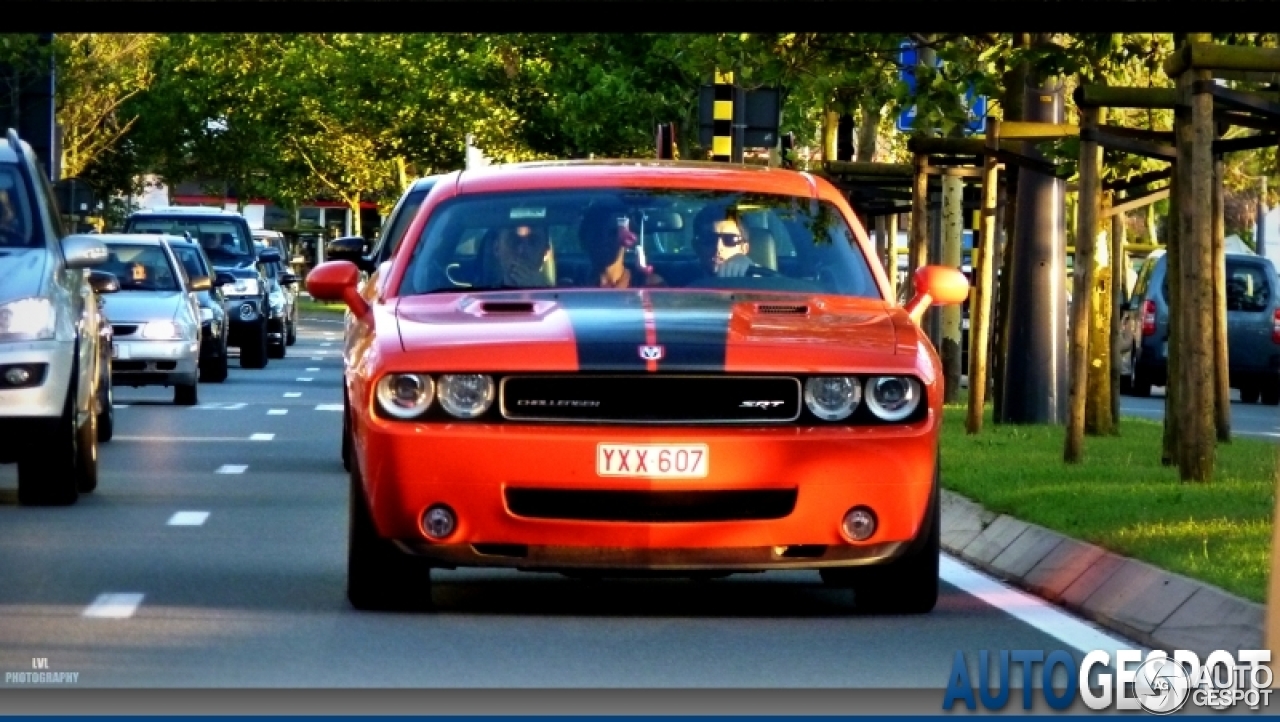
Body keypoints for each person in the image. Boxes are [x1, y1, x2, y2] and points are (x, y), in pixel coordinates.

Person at [578, 205, 663, 289]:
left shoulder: (649, 284)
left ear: (627, 240)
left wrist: (645, 290)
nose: (603, 240)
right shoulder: (570, 287)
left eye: (611, 233)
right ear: (584, 241)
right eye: (596, 235)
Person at [691, 204, 755, 278]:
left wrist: (752, 272)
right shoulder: (678, 281)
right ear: (696, 246)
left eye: (730, 239)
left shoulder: (762, 282)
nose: (718, 247)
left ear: (744, 249)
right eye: (708, 238)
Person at [489, 224, 553, 288]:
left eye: (532, 241)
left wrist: (541, 291)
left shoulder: (561, 293)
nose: (521, 250)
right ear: (497, 248)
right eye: (513, 240)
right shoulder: (483, 296)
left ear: (546, 252)